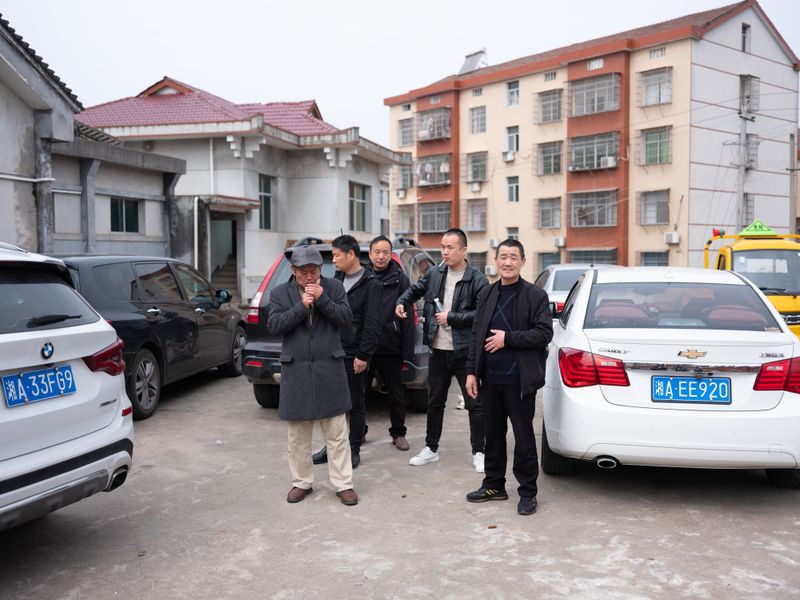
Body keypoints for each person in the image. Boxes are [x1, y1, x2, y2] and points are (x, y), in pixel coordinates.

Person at [464, 239, 553, 516]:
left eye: (513, 257)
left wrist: (508, 339)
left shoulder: (535, 295)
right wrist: (471, 372)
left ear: (523, 262)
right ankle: (494, 484)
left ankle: (527, 492)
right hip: (490, 379)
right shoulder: (488, 294)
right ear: (496, 260)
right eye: (503, 256)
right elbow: (477, 335)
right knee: (493, 436)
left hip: (519, 382)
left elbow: (544, 334)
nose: (507, 262)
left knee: (524, 438)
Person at [266, 245, 358, 506]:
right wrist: (300, 306)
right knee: (298, 436)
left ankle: (343, 484)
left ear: (321, 269)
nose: (310, 276)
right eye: (304, 272)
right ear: (293, 271)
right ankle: (301, 482)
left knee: (337, 434)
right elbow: (274, 326)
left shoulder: (335, 288)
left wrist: (323, 300)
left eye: (315, 271)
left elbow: (346, 320)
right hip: (296, 370)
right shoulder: (279, 293)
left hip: (330, 367)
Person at [395, 228, 488, 471]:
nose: (444, 252)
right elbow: (415, 289)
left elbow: (482, 315)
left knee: (474, 404)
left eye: (450, 248)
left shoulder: (477, 280)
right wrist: (401, 302)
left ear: (464, 250)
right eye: (442, 247)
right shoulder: (435, 273)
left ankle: (479, 451)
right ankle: (431, 448)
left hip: (465, 352)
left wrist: (452, 317)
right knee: (435, 402)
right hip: (437, 349)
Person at [312, 235, 382, 469]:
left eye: (336, 255)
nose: (334, 260)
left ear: (351, 254)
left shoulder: (371, 283)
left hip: (354, 352)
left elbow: (373, 324)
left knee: (356, 402)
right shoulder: (336, 279)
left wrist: (363, 355)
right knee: (331, 402)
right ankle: (331, 446)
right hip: (332, 349)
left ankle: (353, 448)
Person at [365, 235, 415, 452]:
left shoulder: (400, 279)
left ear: (390, 254)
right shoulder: (362, 276)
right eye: (377, 252)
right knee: (358, 392)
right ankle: (357, 432)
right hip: (365, 346)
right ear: (370, 254)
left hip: (390, 345)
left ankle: (398, 433)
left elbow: (409, 318)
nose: (381, 256)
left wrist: (407, 352)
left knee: (395, 393)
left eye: (385, 252)